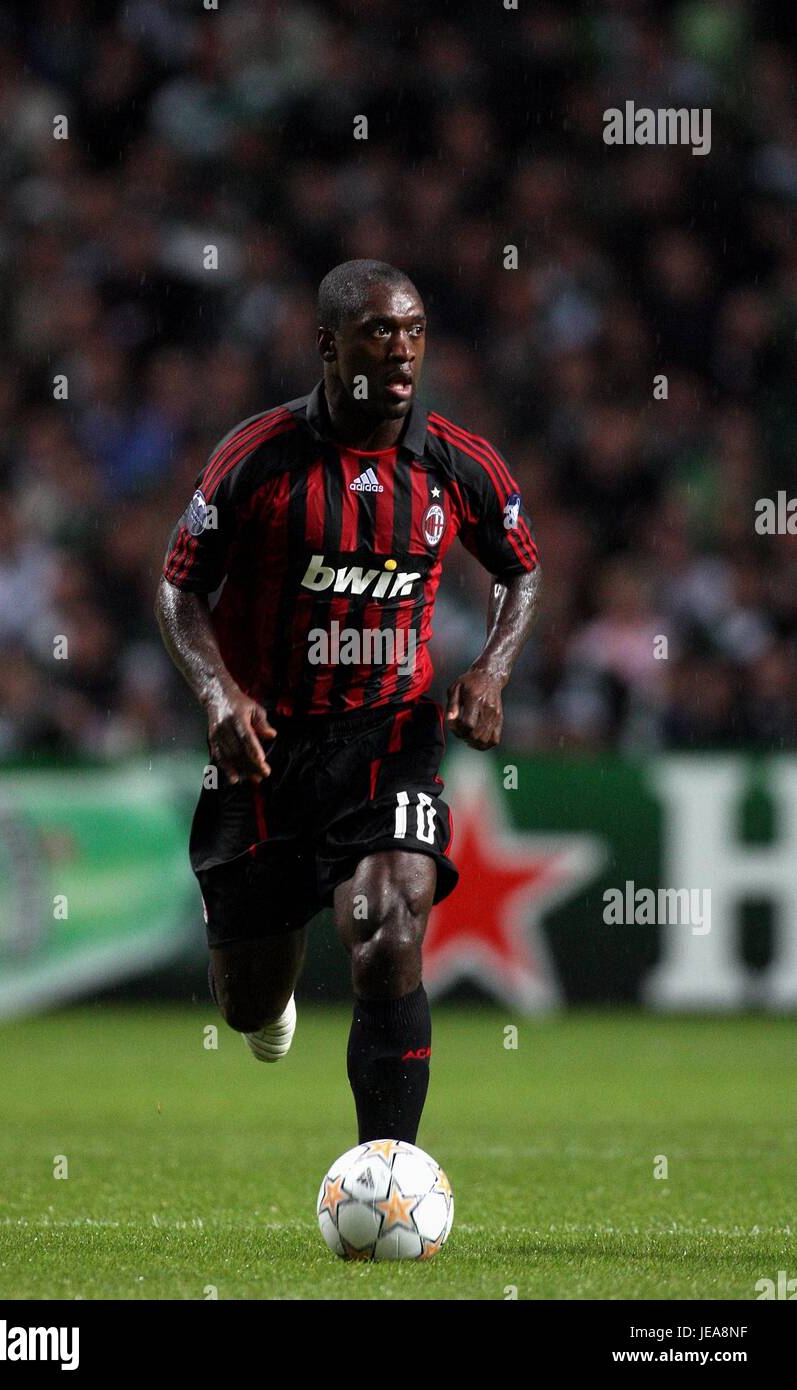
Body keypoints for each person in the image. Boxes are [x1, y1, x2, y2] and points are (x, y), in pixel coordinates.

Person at [156, 259, 541, 1145]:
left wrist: (491, 669)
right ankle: (268, 995)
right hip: (264, 746)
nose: (401, 350)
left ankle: (389, 1169)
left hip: (387, 741)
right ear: (328, 346)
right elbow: (178, 590)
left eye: (412, 331)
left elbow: (520, 568)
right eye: (377, 332)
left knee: (388, 926)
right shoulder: (255, 459)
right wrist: (218, 694)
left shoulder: (456, 462)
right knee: (246, 1001)